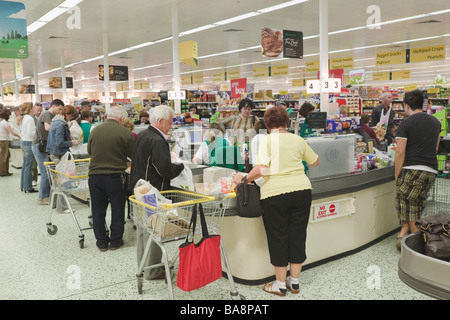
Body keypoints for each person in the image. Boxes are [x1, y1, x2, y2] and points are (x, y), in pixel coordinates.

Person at [233, 106, 319, 297]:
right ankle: (294, 283)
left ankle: (280, 285)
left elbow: (262, 169)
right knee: (298, 235)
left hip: (275, 194)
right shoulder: (298, 139)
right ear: (286, 122)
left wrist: (244, 179)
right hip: (302, 190)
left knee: (278, 237)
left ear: (267, 123)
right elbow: (315, 161)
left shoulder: (267, 140)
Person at [130, 105, 184, 279]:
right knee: (154, 231)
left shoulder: (142, 135)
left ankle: (144, 267)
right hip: (153, 193)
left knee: (143, 232)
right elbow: (165, 171)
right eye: (169, 123)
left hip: (139, 190)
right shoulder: (158, 141)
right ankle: (152, 271)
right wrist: (179, 166)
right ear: (160, 121)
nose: (170, 127)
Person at [394, 90, 441, 251]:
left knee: (410, 210)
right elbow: (435, 148)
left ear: (406, 106)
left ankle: (420, 249)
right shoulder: (436, 122)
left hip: (412, 169)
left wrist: (397, 174)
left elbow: (400, 151)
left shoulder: (406, 124)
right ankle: (403, 233)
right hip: (431, 170)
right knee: (413, 206)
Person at [87, 106, 134, 252]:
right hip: (115, 176)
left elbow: (89, 151)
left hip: (95, 176)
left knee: (98, 210)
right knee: (117, 209)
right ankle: (115, 242)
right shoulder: (125, 132)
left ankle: (101, 242)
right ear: (121, 119)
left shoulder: (95, 130)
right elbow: (133, 154)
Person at [32, 99, 64, 205]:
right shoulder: (47, 114)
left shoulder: (51, 116)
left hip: (44, 146)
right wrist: (60, 127)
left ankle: (46, 195)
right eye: (59, 109)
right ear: (53, 106)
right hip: (39, 146)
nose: (60, 111)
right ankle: (42, 197)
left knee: (48, 172)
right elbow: (47, 128)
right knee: (45, 173)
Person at [17, 103, 37, 192]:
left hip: (23, 141)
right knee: (29, 166)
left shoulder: (23, 118)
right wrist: (37, 134)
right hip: (29, 142)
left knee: (25, 165)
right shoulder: (30, 119)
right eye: (32, 107)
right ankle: (28, 187)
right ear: (30, 109)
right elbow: (30, 133)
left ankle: (23, 185)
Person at [0, 108, 21, 176]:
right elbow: (12, 132)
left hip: (2, 140)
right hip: (4, 141)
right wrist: (19, 136)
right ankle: (3, 172)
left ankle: (6, 171)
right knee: (4, 157)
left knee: (7, 155)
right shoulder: (5, 123)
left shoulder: (1, 122)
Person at [31, 103, 43, 186]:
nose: (39, 112)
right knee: (33, 163)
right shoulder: (30, 119)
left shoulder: (43, 118)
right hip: (33, 142)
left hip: (41, 143)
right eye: (37, 110)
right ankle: (34, 179)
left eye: (40, 110)